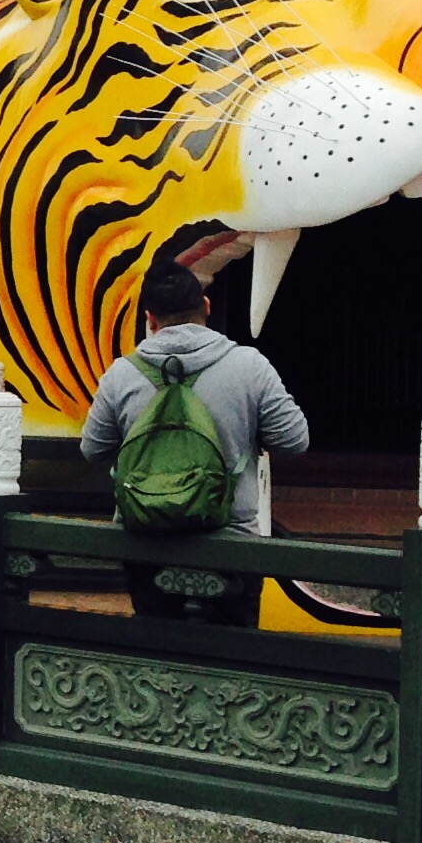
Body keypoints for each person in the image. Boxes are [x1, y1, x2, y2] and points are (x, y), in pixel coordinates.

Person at [78, 260, 311, 624]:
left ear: (150, 319)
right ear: (206, 305)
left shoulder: (121, 374)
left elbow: (92, 449)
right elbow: (294, 441)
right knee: (232, 651)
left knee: (158, 647)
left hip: (146, 543)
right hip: (232, 543)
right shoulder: (249, 366)